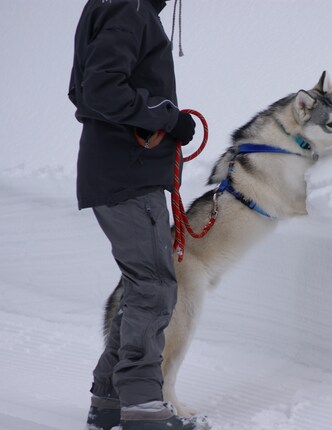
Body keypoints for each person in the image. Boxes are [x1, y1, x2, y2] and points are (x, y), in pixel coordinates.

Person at [68, 0, 197, 429]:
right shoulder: (130, 7)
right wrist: (167, 117)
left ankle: (109, 401)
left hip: (116, 171)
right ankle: (143, 408)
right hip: (129, 175)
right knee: (154, 289)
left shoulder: (115, 5)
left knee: (141, 286)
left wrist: (160, 120)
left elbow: (81, 89)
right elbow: (100, 89)